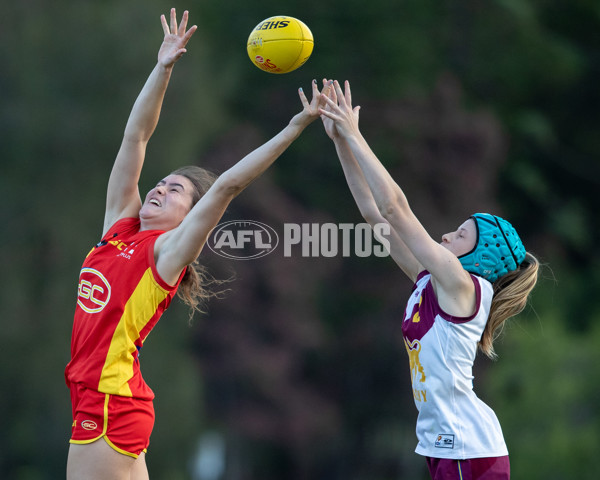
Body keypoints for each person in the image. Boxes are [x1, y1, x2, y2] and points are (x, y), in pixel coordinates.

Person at [64, 8, 329, 479]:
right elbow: (136, 137)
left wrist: (293, 127)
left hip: (108, 404)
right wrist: (162, 67)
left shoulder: (165, 253)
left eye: (176, 191)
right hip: (105, 400)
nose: (160, 188)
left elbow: (226, 186)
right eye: (162, 182)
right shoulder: (119, 229)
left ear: (189, 219)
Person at [319, 79, 539, 479]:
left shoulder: (465, 286)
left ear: (480, 256)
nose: (446, 236)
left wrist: (356, 134)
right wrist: (341, 141)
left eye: (460, 235)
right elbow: (376, 215)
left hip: (467, 448)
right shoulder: (432, 284)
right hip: (451, 446)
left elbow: (395, 206)